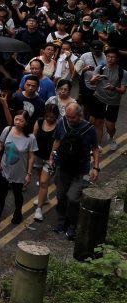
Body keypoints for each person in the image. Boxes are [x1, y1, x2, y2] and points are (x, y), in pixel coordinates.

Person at [51, 102, 100, 239]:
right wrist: (52, 156)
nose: (69, 120)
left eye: (72, 117)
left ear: (80, 115)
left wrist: (96, 168)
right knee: (61, 196)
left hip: (80, 170)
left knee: (73, 198)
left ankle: (73, 225)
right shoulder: (62, 123)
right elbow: (57, 140)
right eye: (67, 117)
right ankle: (62, 222)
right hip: (63, 167)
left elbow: (95, 148)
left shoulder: (89, 128)